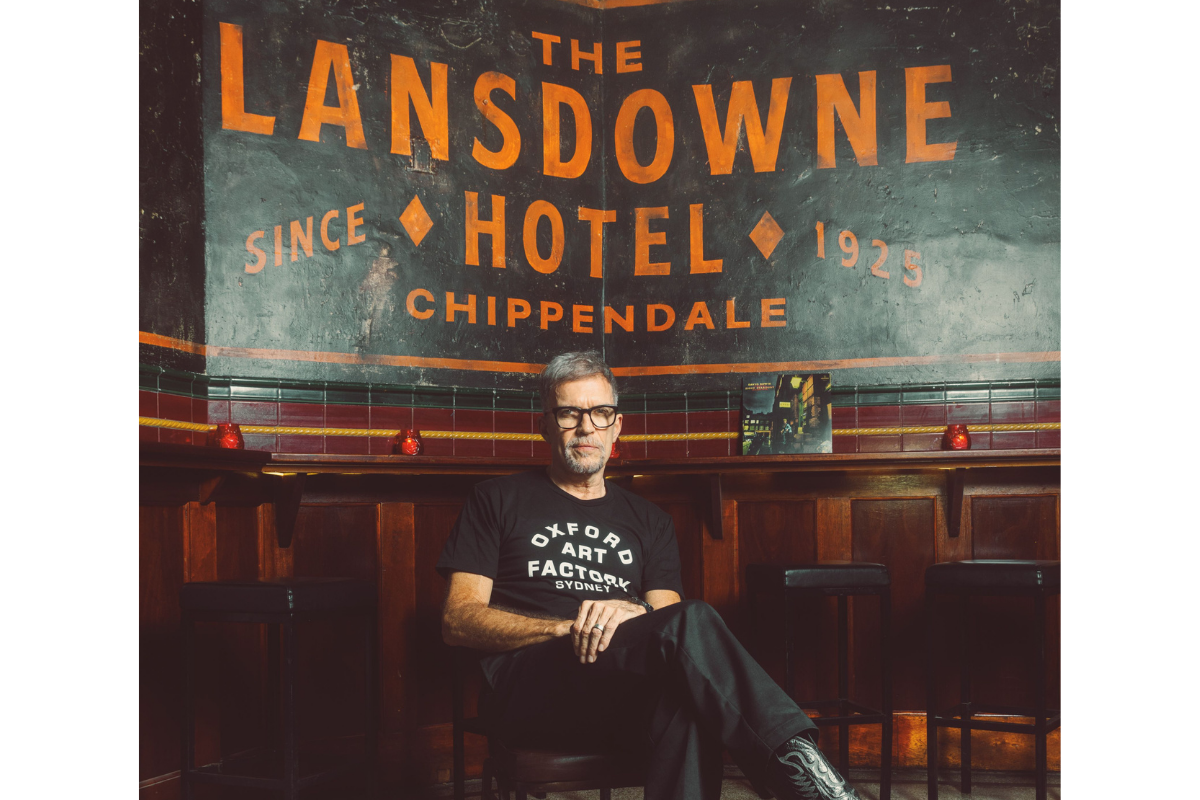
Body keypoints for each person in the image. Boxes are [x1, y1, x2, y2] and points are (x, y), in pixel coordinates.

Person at [437, 351, 861, 800]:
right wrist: (565, 627)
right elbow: (456, 620)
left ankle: (812, 787)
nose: (586, 428)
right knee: (690, 641)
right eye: (569, 413)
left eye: (600, 413)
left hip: (620, 688)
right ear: (544, 423)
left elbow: (675, 626)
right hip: (530, 690)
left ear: (616, 426)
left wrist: (634, 609)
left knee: (688, 699)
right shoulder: (497, 499)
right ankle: (817, 789)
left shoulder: (649, 520)